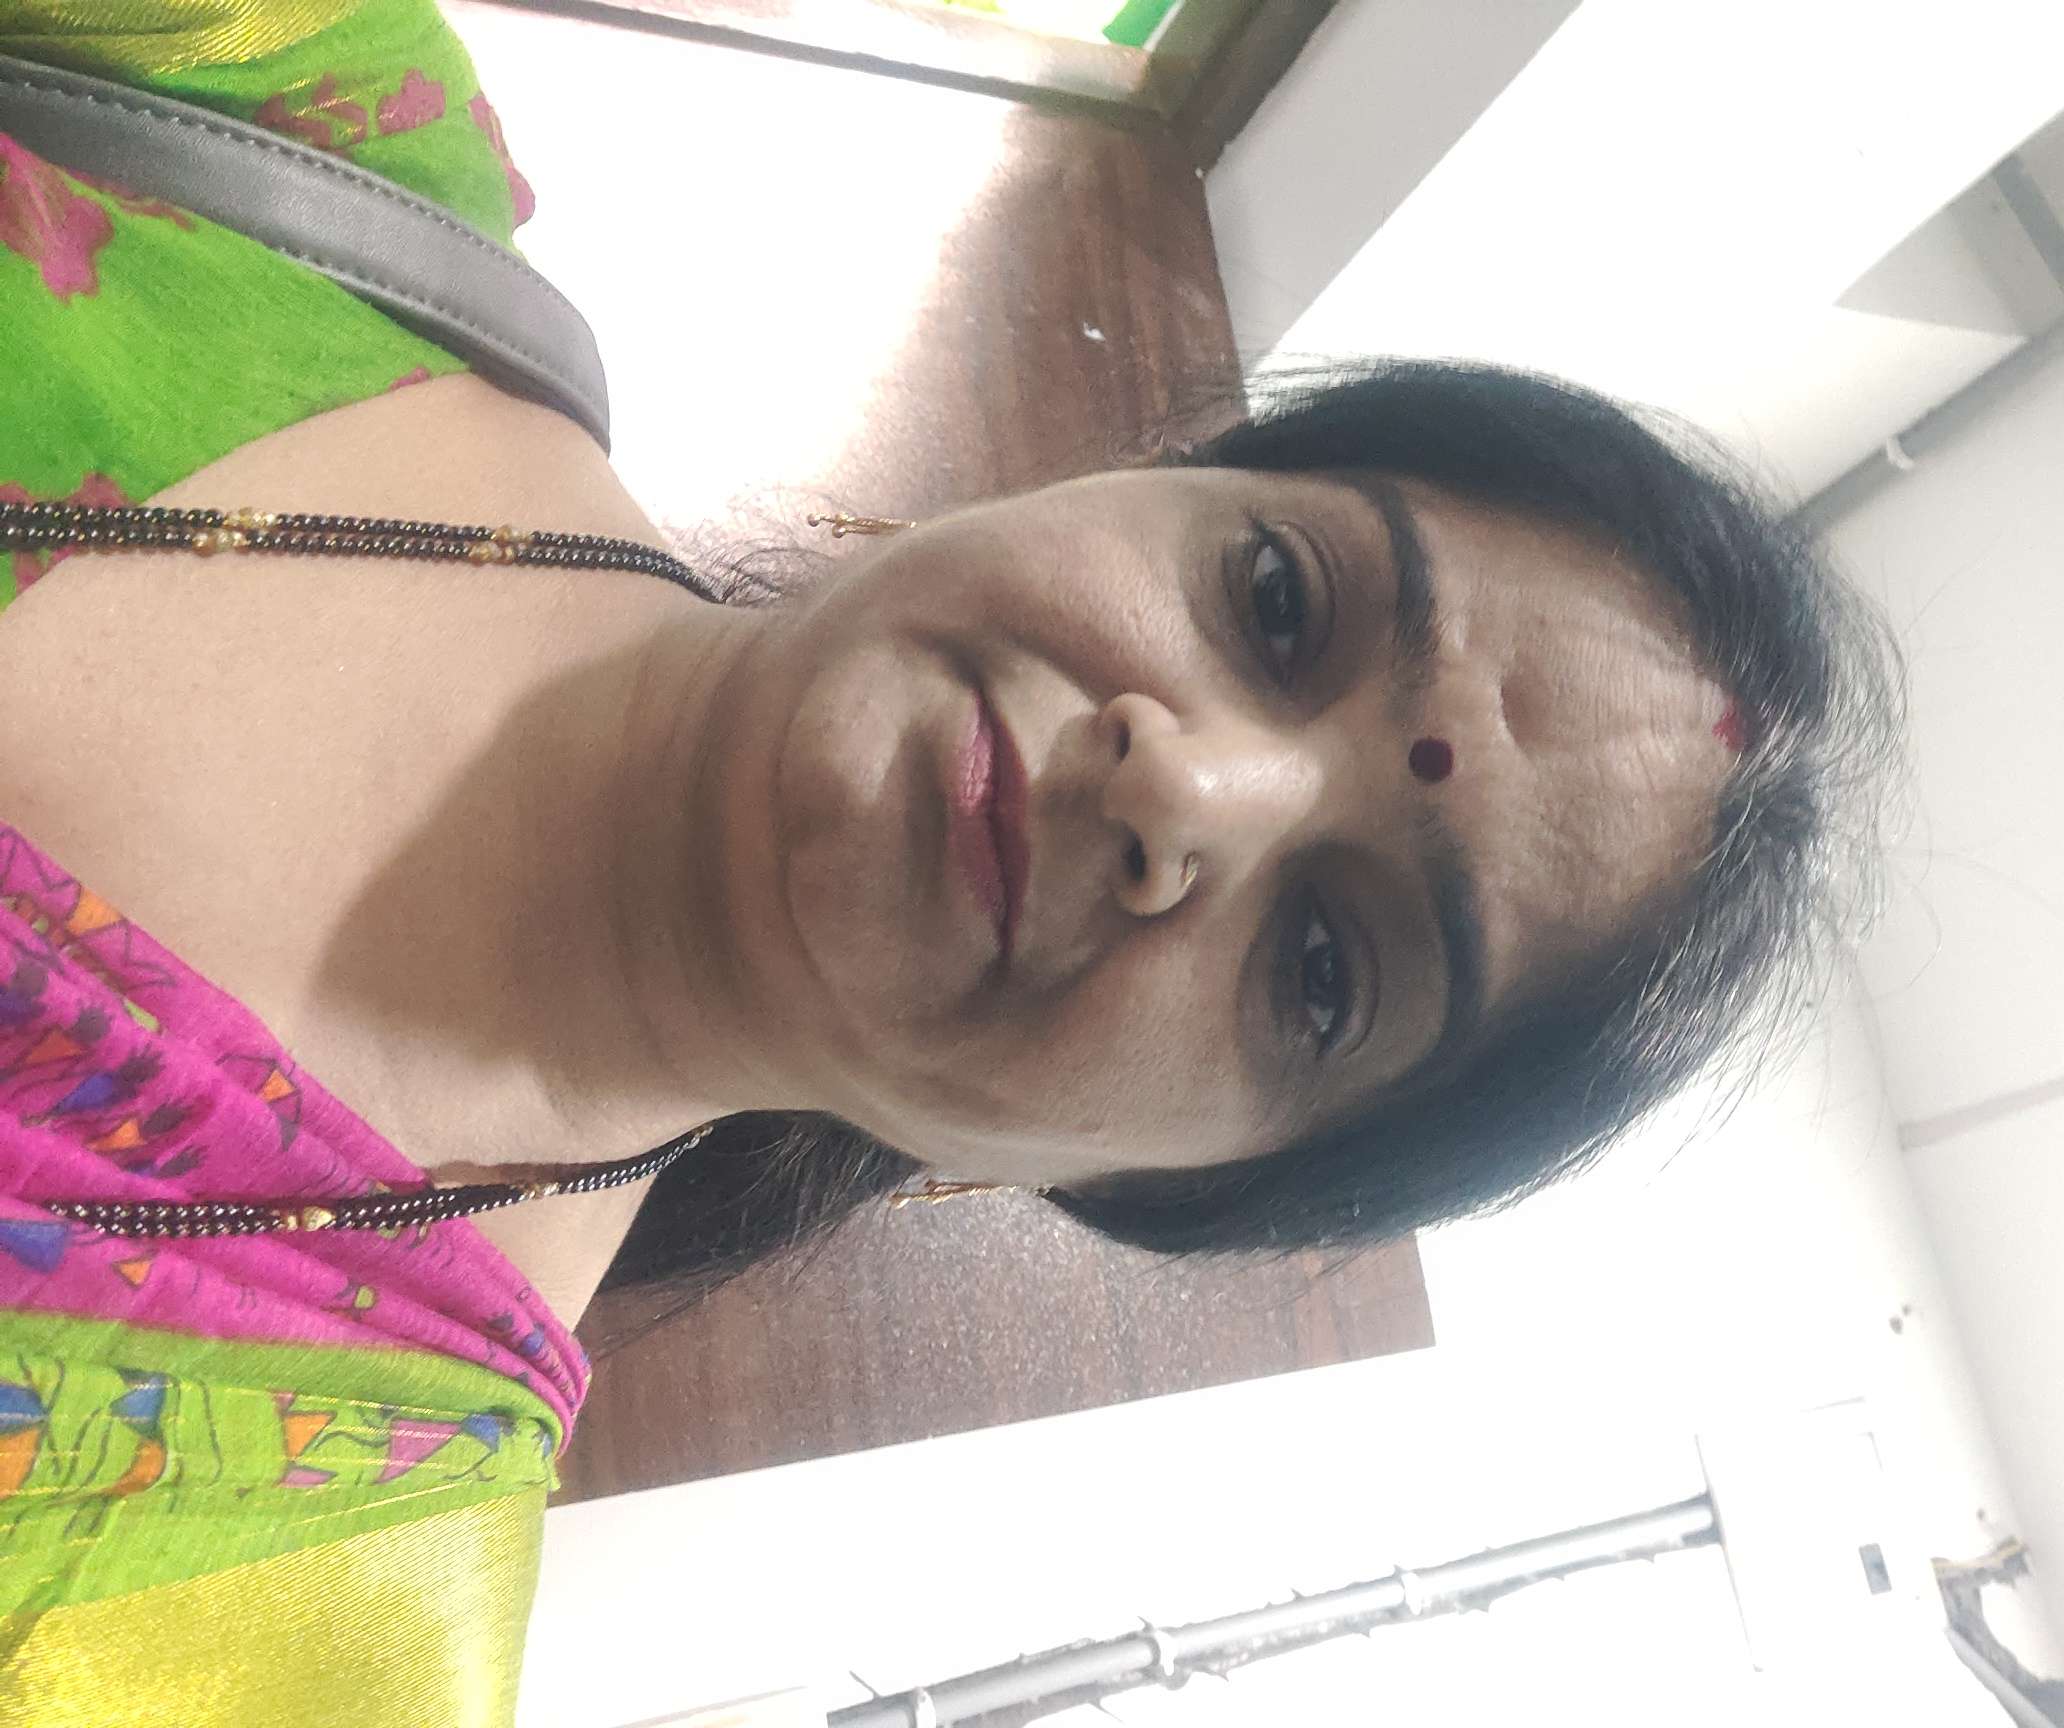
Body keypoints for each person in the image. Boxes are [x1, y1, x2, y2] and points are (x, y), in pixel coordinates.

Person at [0, 0, 1898, 1720]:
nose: (1188, 793)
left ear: (1162, 1182)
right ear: (1153, 480)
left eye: (1326, 967)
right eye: (1277, 600)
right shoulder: (307, 107)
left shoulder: (278, 1622)